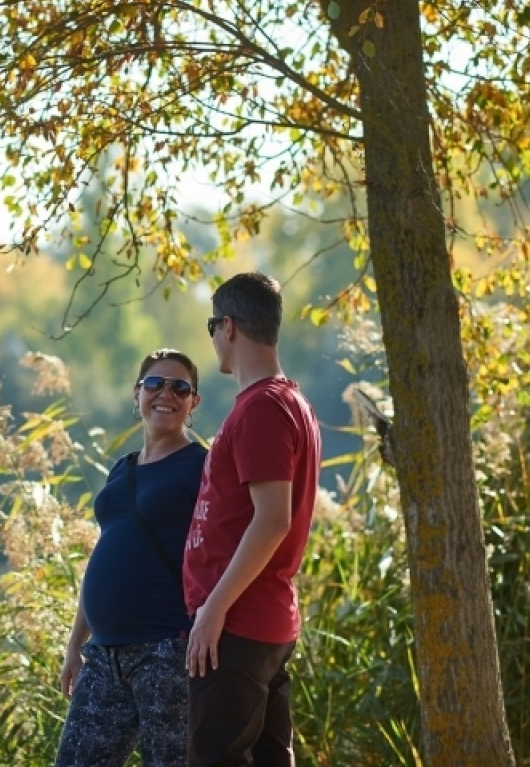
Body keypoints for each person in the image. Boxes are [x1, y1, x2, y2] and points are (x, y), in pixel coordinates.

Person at [183, 272, 322, 767]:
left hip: (239, 623)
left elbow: (272, 521)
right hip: (259, 619)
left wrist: (214, 609)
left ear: (230, 327)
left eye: (211, 326)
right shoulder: (287, 402)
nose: (213, 338)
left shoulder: (263, 407)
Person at [55, 349, 208, 767]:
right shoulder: (122, 468)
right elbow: (104, 554)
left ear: (194, 403)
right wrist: (75, 645)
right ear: (136, 394)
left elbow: (222, 551)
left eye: (181, 387)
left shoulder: (203, 467)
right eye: (155, 383)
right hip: (105, 654)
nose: (167, 394)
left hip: (166, 650)